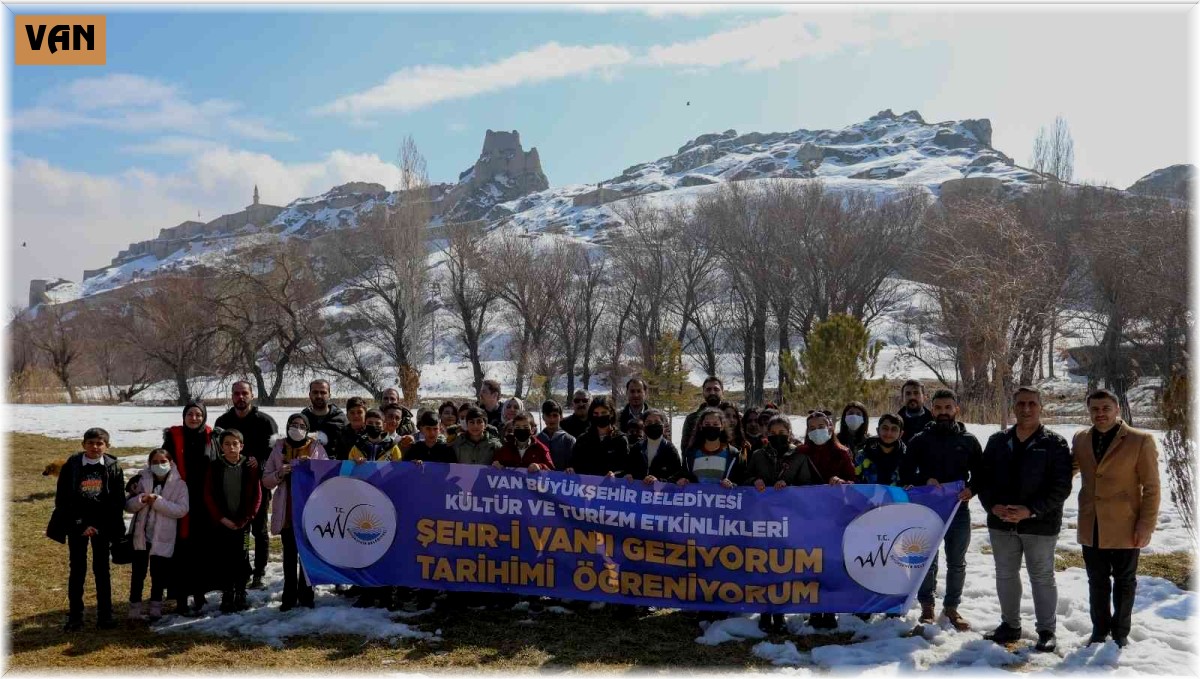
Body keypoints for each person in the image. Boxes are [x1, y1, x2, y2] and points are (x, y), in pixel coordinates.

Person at [977, 386, 1072, 653]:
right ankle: (1010, 625)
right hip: (1001, 523)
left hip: (1040, 524)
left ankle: (1046, 630)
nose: (1026, 408)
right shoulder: (997, 441)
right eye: (1021, 404)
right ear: (1013, 407)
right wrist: (992, 506)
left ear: (1041, 407)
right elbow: (983, 479)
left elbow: (1061, 487)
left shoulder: (1054, 444)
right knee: (1005, 575)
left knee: (1041, 576)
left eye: (1032, 403)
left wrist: (1030, 510)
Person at [1072, 388, 1161, 648]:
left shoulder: (1140, 440)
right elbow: (1069, 470)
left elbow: (1152, 487)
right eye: (1095, 409)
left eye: (1105, 408)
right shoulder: (1080, 439)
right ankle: (1099, 630)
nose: (1100, 414)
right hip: (1092, 524)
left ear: (1117, 409)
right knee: (1096, 582)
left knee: (1124, 582)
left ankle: (1120, 633)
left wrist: (1146, 526)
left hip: (1126, 525)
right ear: (1089, 411)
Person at [900, 388, 981, 631]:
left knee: (957, 561)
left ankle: (952, 608)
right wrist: (924, 481)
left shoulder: (968, 440)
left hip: (958, 509)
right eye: (938, 408)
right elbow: (905, 472)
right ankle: (927, 607)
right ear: (931, 410)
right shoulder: (919, 440)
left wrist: (971, 489)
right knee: (927, 559)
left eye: (948, 408)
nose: (943, 412)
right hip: (929, 510)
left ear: (956, 409)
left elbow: (982, 473)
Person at [745, 415, 820, 633]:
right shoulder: (758, 454)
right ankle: (764, 611)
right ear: (767, 434)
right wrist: (754, 481)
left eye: (782, 433)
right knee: (763, 565)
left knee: (783, 566)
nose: (778, 436)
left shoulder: (799, 456)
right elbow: (746, 478)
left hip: (789, 520)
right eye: (773, 433)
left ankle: (779, 613)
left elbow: (806, 485)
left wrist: (788, 486)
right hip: (763, 519)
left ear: (789, 432)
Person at [49, 427, 125, 630]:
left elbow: (117, 501)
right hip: (77, 524)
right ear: (83, 445)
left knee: (102, 569)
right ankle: (75, 616)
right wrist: (80, 524)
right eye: (90, 443)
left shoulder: (113, 467)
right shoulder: (72, 466)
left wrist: (100, 525)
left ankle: (105, 615)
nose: (95, 447)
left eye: (100, 443)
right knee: (77, 569)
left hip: (102, 526)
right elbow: (62, 499)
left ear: (107, 446)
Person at [794, 410, 855, 630]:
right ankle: (813, 609)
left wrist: (842, 481)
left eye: (822, 426)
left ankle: (829, 609)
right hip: (808, 517)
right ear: (807, 431)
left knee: (830, 564)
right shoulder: (800, 452)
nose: (817, 431)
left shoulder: (842, 452)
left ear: (830, 428)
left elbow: (854, 482)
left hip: (834, 518)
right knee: (810, 563)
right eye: (812, 428)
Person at [214, 381, 278, 590]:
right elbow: (217, 452)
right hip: (230, 484)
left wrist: (258, 463)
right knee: (235, 529)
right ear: (231, 396)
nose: (240, 397)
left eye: (244, 393)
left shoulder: (265, 422)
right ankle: (239, 570)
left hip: (258, 484)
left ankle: (259, 572)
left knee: (258, 530)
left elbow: (274, 454)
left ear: (252, 395)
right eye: (236, 394)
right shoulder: (223, 421)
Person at [161, 401, 221, 616]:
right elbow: (162, 463)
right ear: (184, 416)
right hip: (179, 497)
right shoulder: (173, 437)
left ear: (204, 416)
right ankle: (180, 597)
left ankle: (199, 593)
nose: (194, 418)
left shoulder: (212, 436)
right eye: (190, 414)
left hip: (203, 500)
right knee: (181, 549)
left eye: (198, 414)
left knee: (201, 548)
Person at [263, 414, 328, 611]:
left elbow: (326, 475)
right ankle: (288, 596)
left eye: (301, 425)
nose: (297, 428)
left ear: (307, 429)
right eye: (293, 424)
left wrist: (312, 467)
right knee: (289, 557)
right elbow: (266, 480)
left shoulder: (316, 447)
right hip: (287, 511)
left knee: (307, 557)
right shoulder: (279, 447)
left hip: (309, 510)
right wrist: (279, 473)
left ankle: (307, 596)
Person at [125, 448, 189, 622]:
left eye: (163, 462)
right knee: (138, 573)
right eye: (155, 462)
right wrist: (140, 500)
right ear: (149, 464)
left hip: (163, 537)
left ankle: (156, 606)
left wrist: (158, 502)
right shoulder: (141, 481)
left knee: (158, 574)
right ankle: (135, 607)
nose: (159, 465)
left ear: (171, 463)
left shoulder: (179, 484)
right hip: (141, 535)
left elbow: (182, 510)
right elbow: (128, 505)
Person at [203, 430, 262, 614]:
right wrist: (221, 518)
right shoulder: (215, 466)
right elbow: (208, 494)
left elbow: (257, 495)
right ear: (221, 446)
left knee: (242, 557)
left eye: (235, 443)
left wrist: (248, 518)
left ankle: (240, 592)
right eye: (227, 444)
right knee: (225, 557)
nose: (231, 447)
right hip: (223, 522)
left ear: (241, 446)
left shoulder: (249, 466)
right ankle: (227, 593)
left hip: (243, 523)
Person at [569, 395, 645, 479]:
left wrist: (615, 474)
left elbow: (626, 468)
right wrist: (571, 470)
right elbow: (574, 464)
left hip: (610, 488)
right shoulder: (583, 440)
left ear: (611, 413)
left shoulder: (620, 439)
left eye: (604, 413)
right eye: (596, 413)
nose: (600, 416)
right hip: (586, 487)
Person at [679, 407, 744, 487]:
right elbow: (682, 476)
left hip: (724, 499)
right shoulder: (691, 453)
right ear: (701, 426)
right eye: (707, 424)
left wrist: (732, 485)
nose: (711, 427)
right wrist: (682, 480)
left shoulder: (733, 454)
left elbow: (742, 482)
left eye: (715, 424)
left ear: (722, 426)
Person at [853, 413, 907, 487]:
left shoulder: (907, 457)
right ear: (878, 430)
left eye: (894, 429)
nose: (889, 433)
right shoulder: (863, 456)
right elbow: (853, 481)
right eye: (885, 428)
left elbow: (915, 483)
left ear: (900, 434)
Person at [639, 409, 686, 484]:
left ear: (663, 425)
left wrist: (658, 481)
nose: (653, 425)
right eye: (649, 422)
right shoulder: (637, 448)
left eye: (657, 422)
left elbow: (677, 475)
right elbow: (629, 470)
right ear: (643, 425)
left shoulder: (670, 449)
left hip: (661, 493)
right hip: (638, 493)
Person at [302, 379, 349, 451]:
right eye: (315, 392)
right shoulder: (302, 419)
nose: (319, 396)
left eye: (323, 392)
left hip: (334, 462)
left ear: (329, 395)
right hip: (308, 461)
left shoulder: (340, 419)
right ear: (310, 395)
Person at [681, 376, 725, 449]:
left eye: (716, 389)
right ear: (703, 392)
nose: (712, 392)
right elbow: (685, 448)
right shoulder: (692, 419)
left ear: (722, 392)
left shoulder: (733, 417)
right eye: (708, 389)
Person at [538, 400, 577, 471]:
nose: (552, 419)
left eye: (555, 415)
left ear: (561, 417)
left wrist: (571, 469)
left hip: (562, 481)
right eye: (548, 415)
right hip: (541, 481)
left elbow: (574, 465)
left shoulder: (569, 440)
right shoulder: (537, 439)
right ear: (543, 417)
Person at [898, 380, 933, 446]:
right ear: (902, 398)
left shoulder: (934, 423)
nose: (912, 397)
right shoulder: (894, 424)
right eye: (908, 394)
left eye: (916, 393)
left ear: (924, 397)